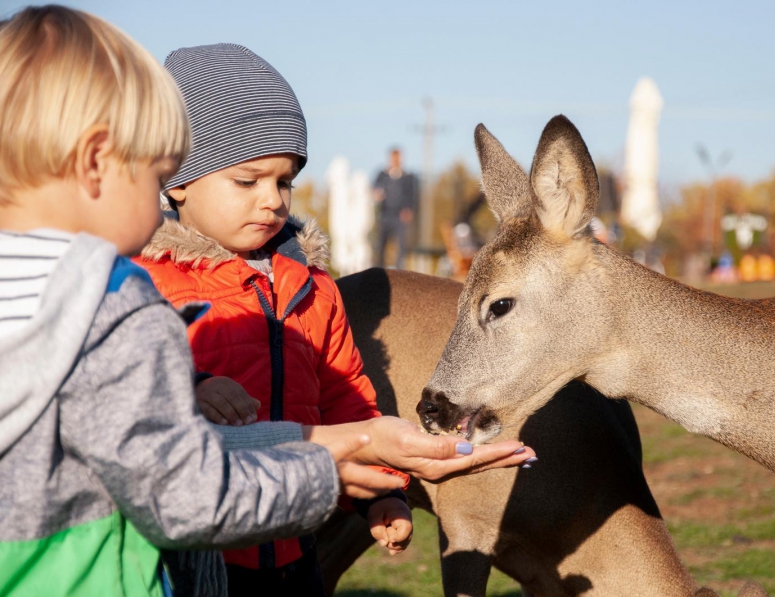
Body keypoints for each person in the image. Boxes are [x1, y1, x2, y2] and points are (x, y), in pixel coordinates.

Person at [0, 7, 535, 597]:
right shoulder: (126, 301)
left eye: (285, 183)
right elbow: (183, 491)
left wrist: (371, 465)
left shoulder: (303, 283)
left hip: (279, 545)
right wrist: (195, 388)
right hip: (203, 551)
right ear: (103, 162)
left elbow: (336, 393)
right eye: (152, 168)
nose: (273, 200)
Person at [373, 148, 419, 269]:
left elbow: (413, 196)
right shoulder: (382, 175)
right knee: (380, 246)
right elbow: (374, 190)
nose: (395, 160)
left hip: (400, 217)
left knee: (401, 248)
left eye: (397, 158)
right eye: (393, 158)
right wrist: (377, 194)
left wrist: (409, 209)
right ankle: (378, 271)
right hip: (384, 215)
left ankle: (400, 272)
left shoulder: (409, 177)